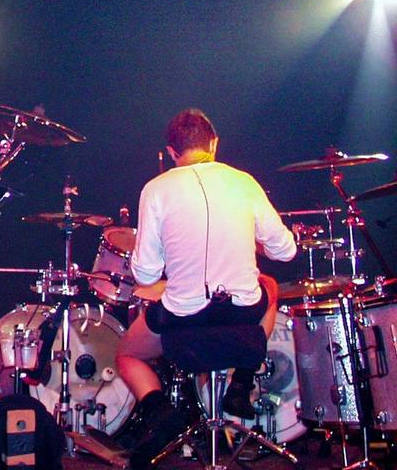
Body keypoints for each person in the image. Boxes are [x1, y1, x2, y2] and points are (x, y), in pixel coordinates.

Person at [115, 108, 296, 466]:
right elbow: (286, 251)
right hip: (241, 316)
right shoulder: (244, 182)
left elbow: (146, 275)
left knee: (127, 355)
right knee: (270, 285)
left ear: (172, 152)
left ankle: (160, 410)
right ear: (214, 143)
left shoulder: (156, 189)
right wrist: (255, 242)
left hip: (184, 321)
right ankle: (241, 381)